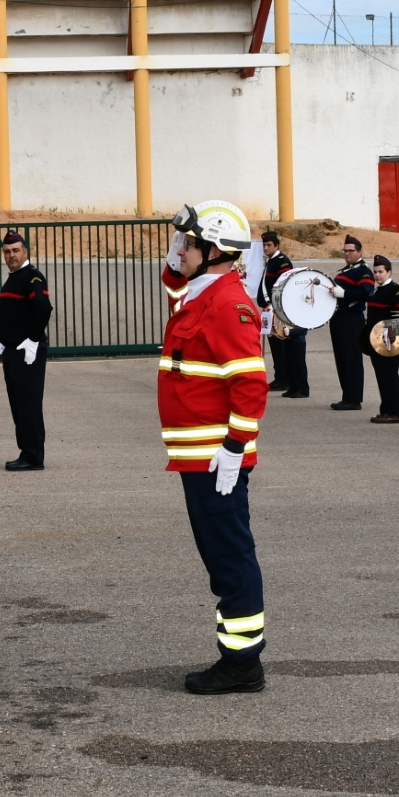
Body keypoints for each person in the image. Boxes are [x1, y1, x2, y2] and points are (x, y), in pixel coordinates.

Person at [156, 201, 269, 694]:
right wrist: (178, 252)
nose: (180, 250)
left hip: (215, 458)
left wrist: (234, 447)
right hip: (197, 456)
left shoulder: (227, 303)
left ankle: (242, 663)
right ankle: (239, 657)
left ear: (215, 251)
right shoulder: (202, 294)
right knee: (220, 555)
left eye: (189, 243)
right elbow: (175, 288)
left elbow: (250, 383)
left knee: (229, 556)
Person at [0, 230, 52, 471]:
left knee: (28, 403)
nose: (11, 255)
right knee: (19, 404)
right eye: (7, 251)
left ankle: (33, 456)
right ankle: (27, 451)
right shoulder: (14, 277)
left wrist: (33, 339)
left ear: (25, 252)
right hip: (13, 349)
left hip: (27, 351)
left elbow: (43, 307)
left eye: (16, 250)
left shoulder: (32, 277)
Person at [258, 231, 308, 399]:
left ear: (277, 246)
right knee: (275, 345)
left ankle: (284, 378)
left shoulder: (282, 262)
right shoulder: (271, 261)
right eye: (264, 245)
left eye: (269, 245)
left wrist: (275, 305)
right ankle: (281, 376)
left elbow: (285, 284)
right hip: (270, 309)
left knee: (281, 346)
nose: (266, 248)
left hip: (277, 309)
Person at [327, 234, 373, 413]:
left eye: (351, 251)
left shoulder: (363, 271)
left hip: (352, 319)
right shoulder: (346, 270)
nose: (347, 253)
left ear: (360, 252)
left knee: (351, 359)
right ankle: (347, 396)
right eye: (345, 250)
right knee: (342, 358)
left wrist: (344, 294)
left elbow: (366, 292)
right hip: (339, 318)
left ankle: (354, 399)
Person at [362, 256, 399, 424]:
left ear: (389, 272)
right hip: (375, 341)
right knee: (381, 375)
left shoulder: (396, 291)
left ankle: (394, 412)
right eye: (375, 272)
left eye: (381, 272)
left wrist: (391, 336)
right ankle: (385, 409)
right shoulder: (376, 291)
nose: (377, 275)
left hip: (389, 340)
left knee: (389, 375)